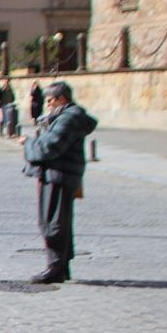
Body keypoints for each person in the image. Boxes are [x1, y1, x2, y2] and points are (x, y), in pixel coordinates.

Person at [20, 81, 97, 284]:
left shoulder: (68, 119)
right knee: (58, 221)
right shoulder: (65, 117)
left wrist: (28, 143)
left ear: (62, 99)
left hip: (58, 174)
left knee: (53, 222)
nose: (48, 105)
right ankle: (62, 266)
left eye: (50, 101)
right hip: (58, 173)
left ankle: (55, 267)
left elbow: (48, 148)